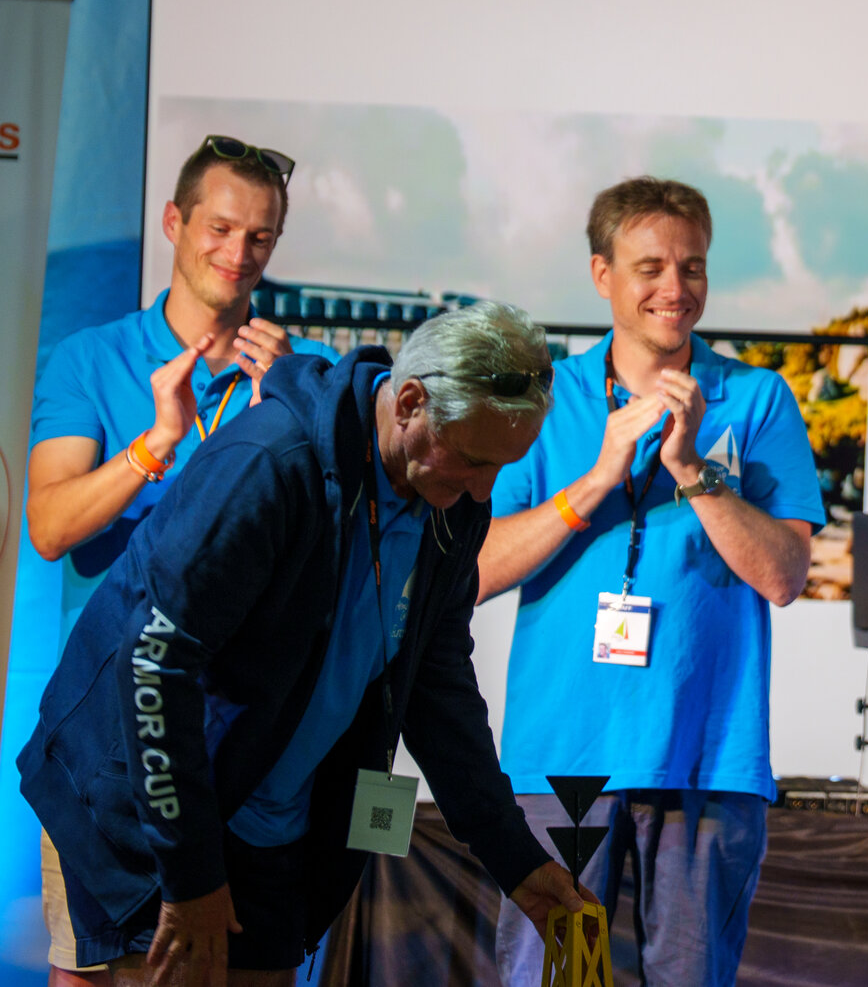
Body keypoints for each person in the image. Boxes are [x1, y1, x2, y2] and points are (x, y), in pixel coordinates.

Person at [17, 302, 593, 985]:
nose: (482, 488)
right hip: (140, 813)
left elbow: (439, 694)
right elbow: (156, 663)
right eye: (471, 460)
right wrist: (191, 876)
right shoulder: (270, 461)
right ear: (410, 402)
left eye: (501, 465)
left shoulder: (453, 504)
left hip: (274, 826)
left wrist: (517, 862)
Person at [479, 177, 825, 987]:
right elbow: (476, 569)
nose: (676, 287)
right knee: (557, 979)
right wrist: (596, 480)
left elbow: (784, 574)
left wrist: (692, 467)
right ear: (602, 274)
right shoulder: (545, 398)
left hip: (708, 757)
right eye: (651, 267)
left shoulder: (758, 398)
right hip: (562, 757)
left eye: (692, 266)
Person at [22, 135, 336, 982]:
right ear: (174, 221)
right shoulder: (93, 357)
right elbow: (50, 525)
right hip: (108, 745)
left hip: (245, 753)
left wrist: (288, 413)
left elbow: (335, 557)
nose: (239, 252)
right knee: (94, 973)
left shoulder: (304, 377)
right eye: (220, 228)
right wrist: (156, 442)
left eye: (260, 235)